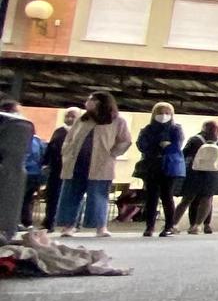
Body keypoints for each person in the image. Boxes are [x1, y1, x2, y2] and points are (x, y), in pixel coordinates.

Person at [54, 92, 131, 238]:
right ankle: (68, 226)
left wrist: (112, 154)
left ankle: (100, 227)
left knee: (98, 196)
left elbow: (125, 140)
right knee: (70, 195)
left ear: (102, 102)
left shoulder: (117, 120)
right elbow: (69, 139)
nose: (88, 102)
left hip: (101, 164)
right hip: (76, 163)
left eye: (91, 100)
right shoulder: (82, 119)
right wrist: (66, 151)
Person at [134, 101, 187, 237]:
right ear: (154, 114)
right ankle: (149, 227)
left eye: (167, 113)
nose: (163, 116)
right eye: (160, 113)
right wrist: (160, 146)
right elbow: (141, 145)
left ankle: (169, 226)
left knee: (167, 196)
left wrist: (162, 147)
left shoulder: (176, 129)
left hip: (170, 167)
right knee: (151, 197)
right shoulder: (147, 129)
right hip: (151, 167)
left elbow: (176, 146)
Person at [179, 120, 218, 235]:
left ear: (203, 128)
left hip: (195, 174)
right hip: (214, 174)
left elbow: (184, 154)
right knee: (207, 199)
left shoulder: (195, 140)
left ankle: (182, 224)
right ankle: (202, 225)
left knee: (188, 199)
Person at [0, 99, 44, 230]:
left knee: (24, 200)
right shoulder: (23, 125)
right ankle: (12, 225)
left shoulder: (16, 125)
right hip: (20, 168)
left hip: (20, 169)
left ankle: (14, 223)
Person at [42, 106, 78, 229]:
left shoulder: (81, 132)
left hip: (74, 169)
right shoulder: (59, 131)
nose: (69, 118)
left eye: (73, 116)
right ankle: (49, 222)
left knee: (72, 196)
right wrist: (45, 163)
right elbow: (50, 147)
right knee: (52, 195)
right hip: (56, 168)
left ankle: (72, 223)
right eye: (67, 116)